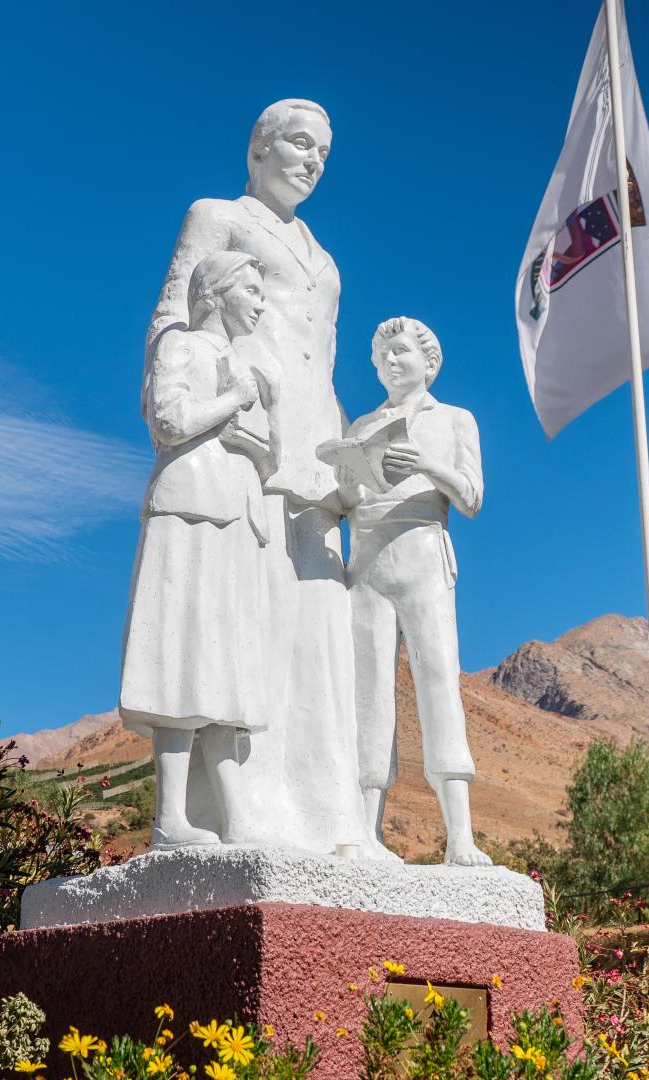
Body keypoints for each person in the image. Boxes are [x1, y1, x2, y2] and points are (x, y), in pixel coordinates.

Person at [145, 100, 361, 853]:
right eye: (300, 144)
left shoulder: (324, 260)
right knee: (243, 627)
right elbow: (173, 316)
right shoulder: (217, 216)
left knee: (319, 636)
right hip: (242, 444)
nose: (313, 161)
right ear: (259, 149)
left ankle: (332, 815)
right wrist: (184, 399)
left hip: (316, 454)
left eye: (325, 152)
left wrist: (346, 451)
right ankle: (245, 810)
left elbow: (323, 361)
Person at [120, 251, 272, 848]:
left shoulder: (244, 364)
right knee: (180, 656)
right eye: (252, 290)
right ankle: (170, 820)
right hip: (187, 506)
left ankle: (238, 819)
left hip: (237, 515)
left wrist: (255, 436)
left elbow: (269, 452)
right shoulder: (178, 346)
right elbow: (168, 419)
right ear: (215, 294)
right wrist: (232, 402)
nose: (261, 302)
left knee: (226, 663)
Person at [338, 317, 489, 866]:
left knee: (437, 681)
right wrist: (350, 477)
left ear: (428, 361)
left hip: (424, 550)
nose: (388, 363)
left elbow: (471, 496)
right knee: (368, 690)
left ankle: (461, 836)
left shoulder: (454, 420)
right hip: (367, 559)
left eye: (399, 352)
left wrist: (427, 463)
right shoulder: (361, 423)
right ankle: (365, 828)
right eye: (381, 357)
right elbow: (343, 497)